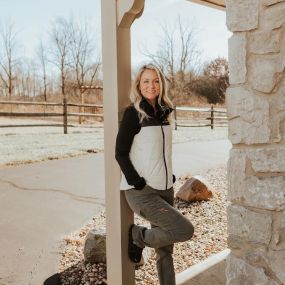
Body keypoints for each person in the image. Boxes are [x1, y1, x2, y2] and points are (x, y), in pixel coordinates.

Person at [115, 64, 194, 285]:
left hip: (166, 187)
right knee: (184, 229)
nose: (152, 85)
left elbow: (162, 151)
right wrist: (135, 181)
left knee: (166, 252)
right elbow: (120, 153)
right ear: (139, 85)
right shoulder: (133, 113)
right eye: (146, 81)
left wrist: (170, 175)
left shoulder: (165, 112)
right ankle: (138, 236)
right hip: (142, 192)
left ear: (161, 84)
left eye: (156, 81)